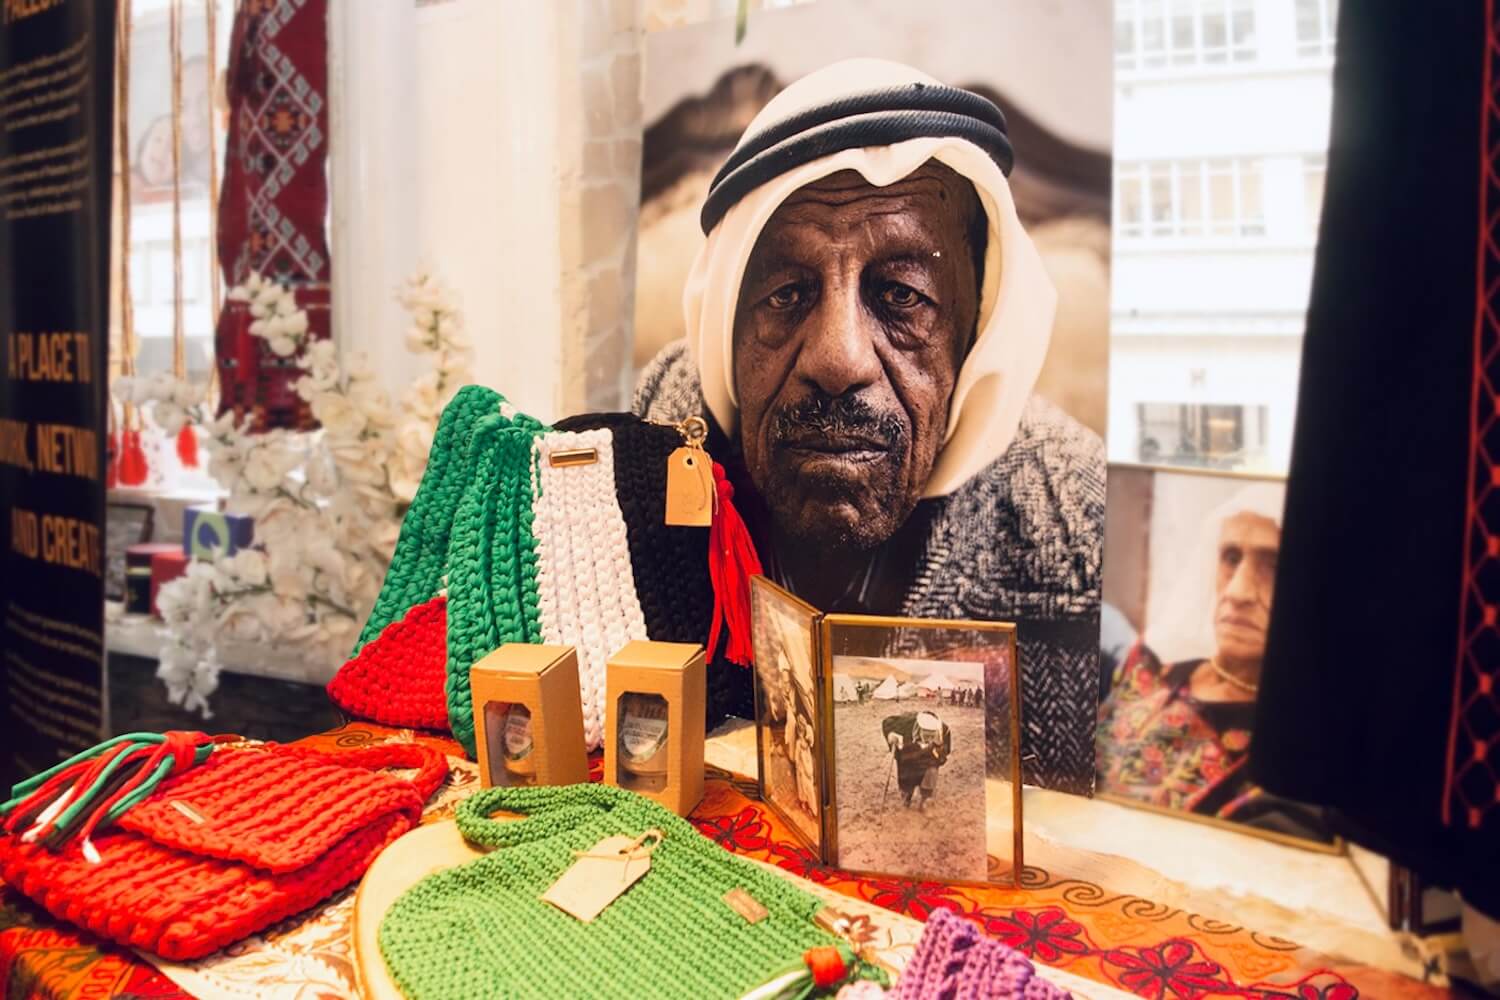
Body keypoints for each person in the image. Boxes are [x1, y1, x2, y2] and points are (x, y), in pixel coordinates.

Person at [634, 58, 1104, 792]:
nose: (839, 358)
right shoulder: (648, 444)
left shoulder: (1074, 511)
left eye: (901, 295)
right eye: (787, 294)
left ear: (972, 331)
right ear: (726, 322)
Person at [1095, 485, 1327, 840]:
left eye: (1276, 565)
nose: (1238, 591)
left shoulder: (1300, 745)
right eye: (1231, 558)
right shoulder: (1152, 665)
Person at [882, 710, 951, 811]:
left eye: (931, 735)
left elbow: (946, 751)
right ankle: (906, 796)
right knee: (906, 777)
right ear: (919, 728)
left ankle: (924, 799)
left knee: (931, 772)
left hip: (929, 758)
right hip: (909, 754)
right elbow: (887, 722)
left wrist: (937, 753)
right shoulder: (907, 723)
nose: (928, 738)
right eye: (926, 735)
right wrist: (890, 734)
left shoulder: (944, 730)